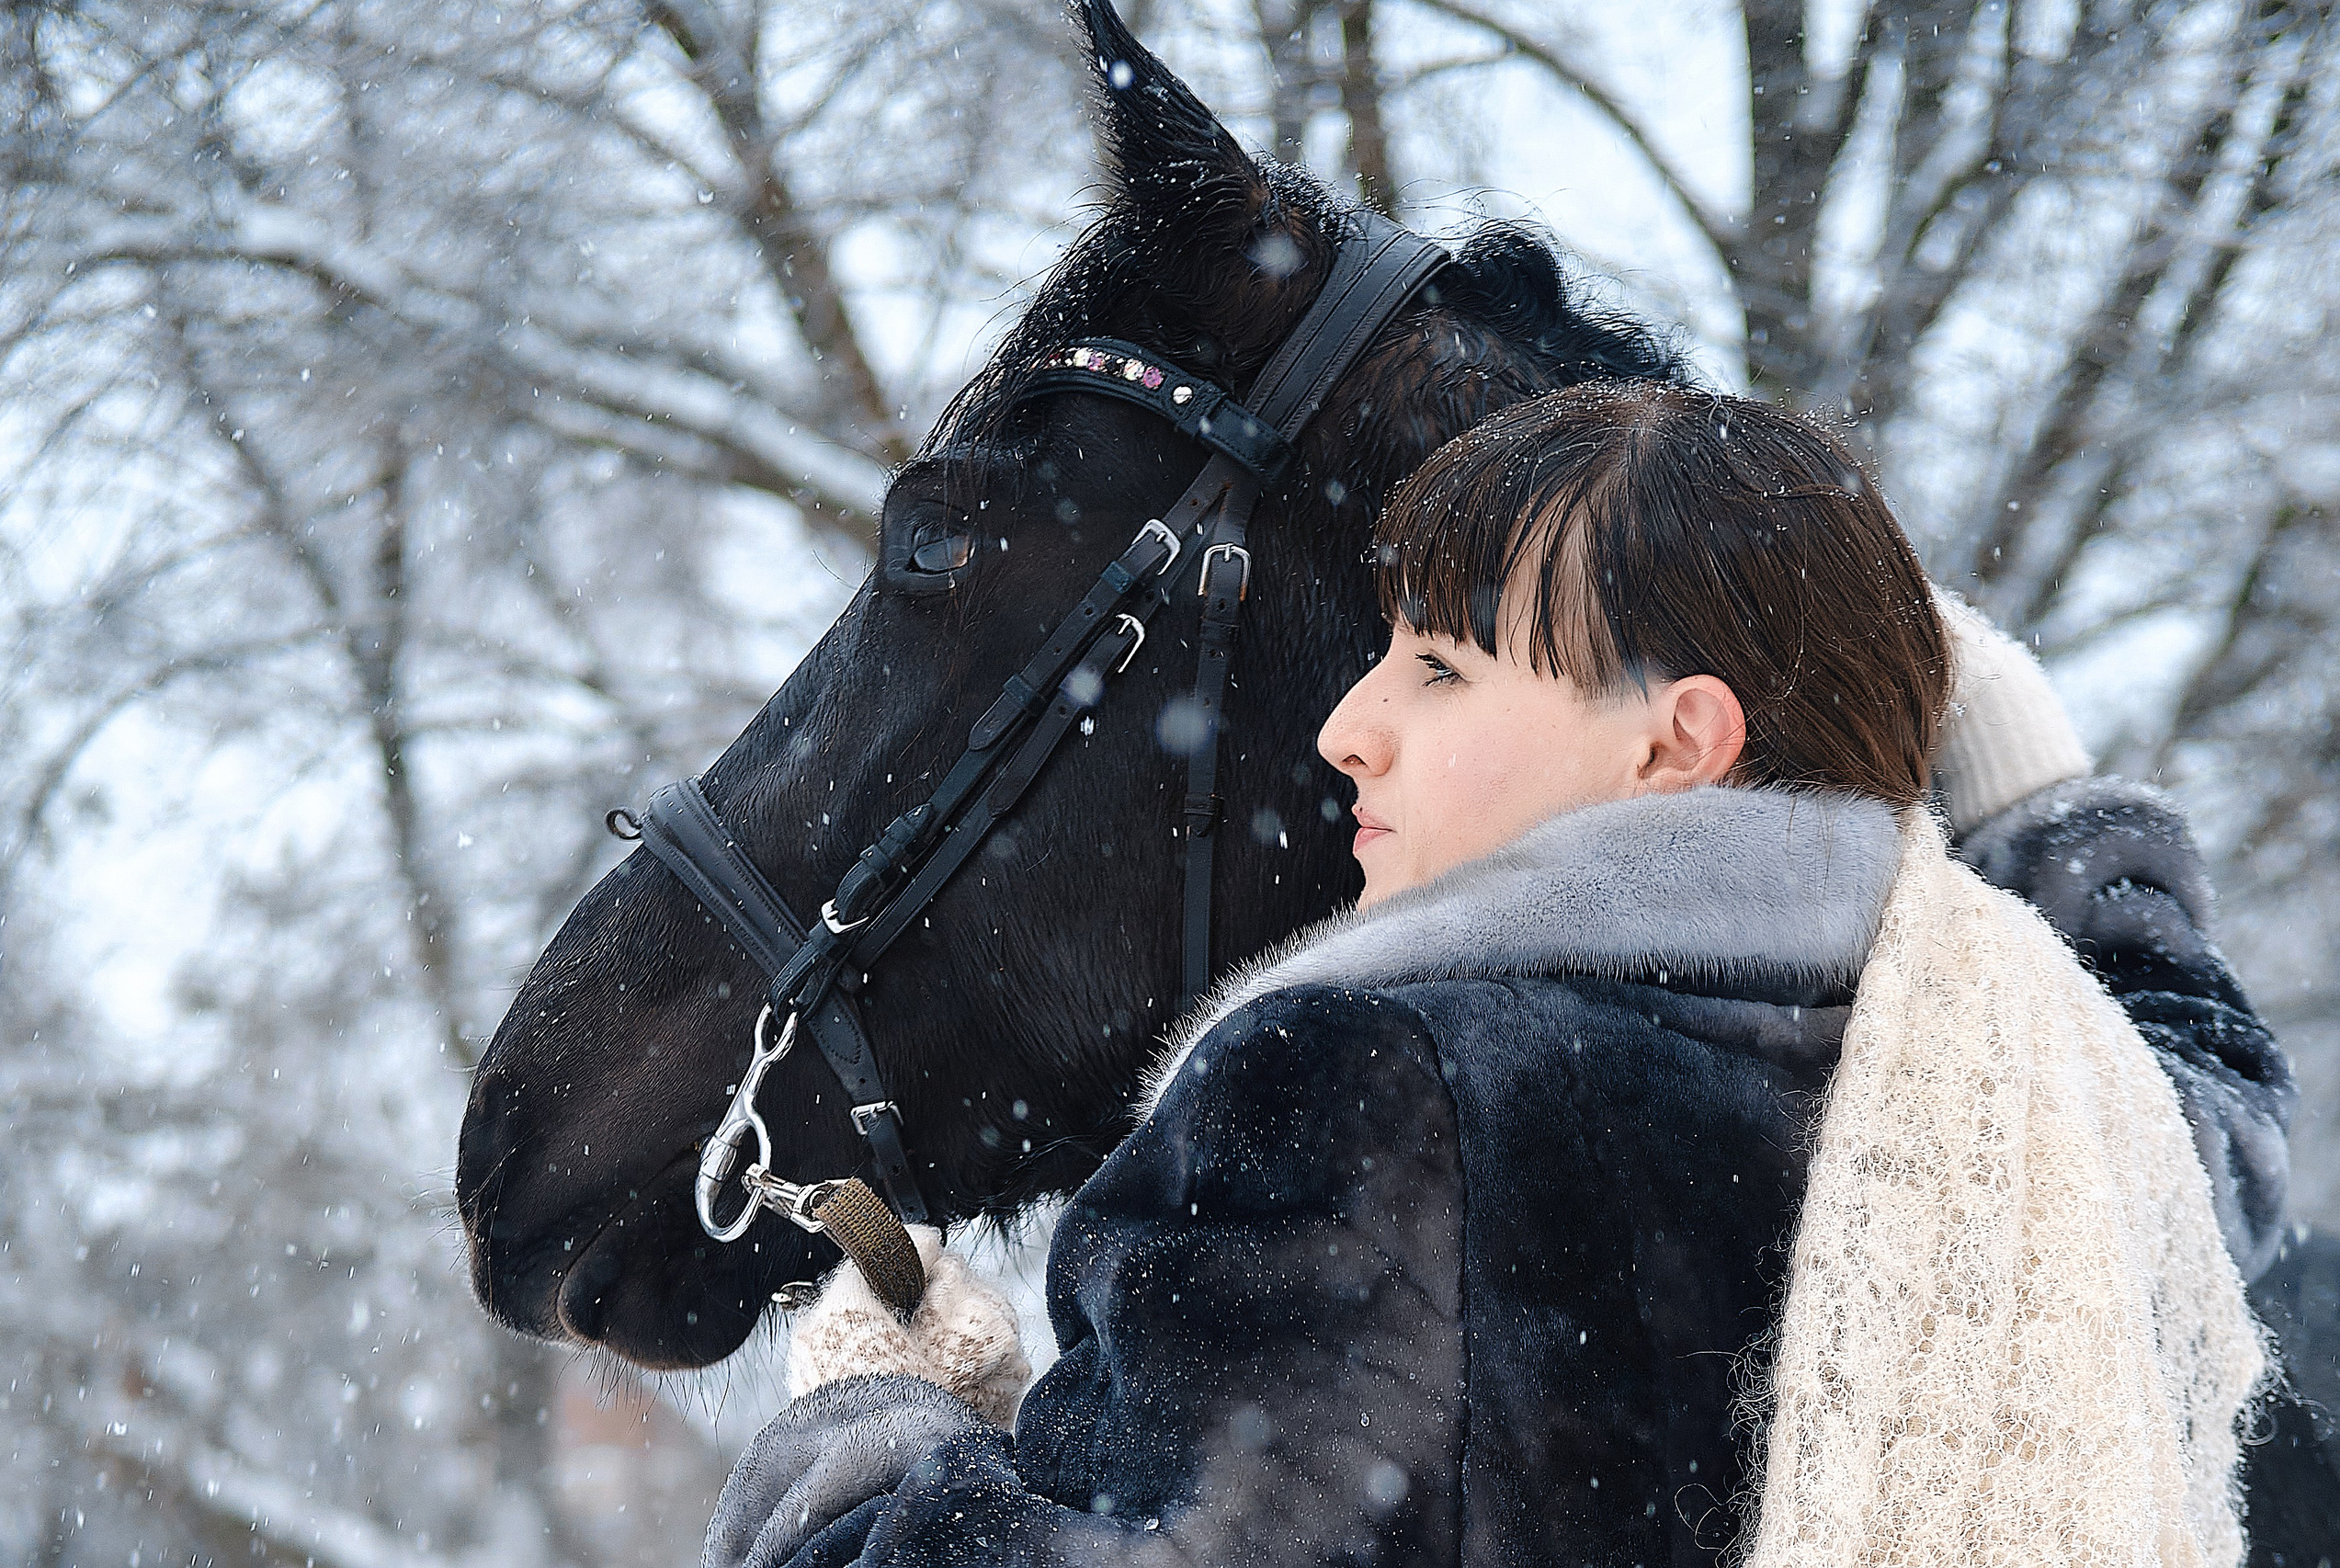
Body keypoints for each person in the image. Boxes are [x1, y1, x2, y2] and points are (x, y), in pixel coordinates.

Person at [703, 383, 2296, 1567]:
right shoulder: (2042, 1111)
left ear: (1681, 742)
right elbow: (2217, 1113)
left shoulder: (1375, 1088)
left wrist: (871, 1432)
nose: (1349, 723)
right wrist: (2043, 801)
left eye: (1440, 666)